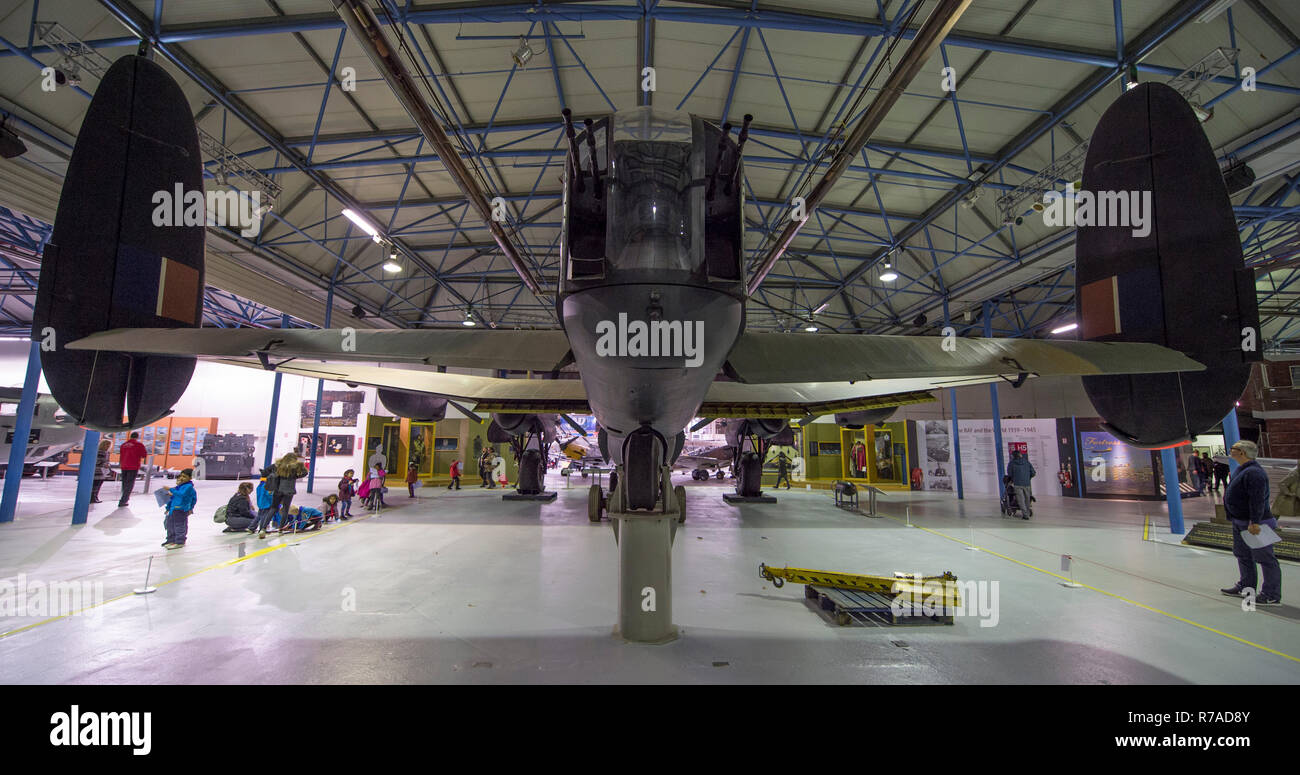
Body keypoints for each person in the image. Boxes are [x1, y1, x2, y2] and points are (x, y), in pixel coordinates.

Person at [1220, 440, 1282, 605]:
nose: (1230, 450)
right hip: (1240, 522)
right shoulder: (1242, 470)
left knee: (1265, 558)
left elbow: (1257, 500)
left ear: (1242, 452)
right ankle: (1246, 587)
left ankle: (1271, 594)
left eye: (1234, 448)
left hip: (1255, 523)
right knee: (1243, 555)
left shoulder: (1254, 473)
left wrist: (1254, 522)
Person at [269, 452, 308, 527]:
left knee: (273, 509)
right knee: (285, 509)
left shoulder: (279, 466)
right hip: (289, 491)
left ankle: (263, 528)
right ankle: (281, 528)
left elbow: (273, 476)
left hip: (278, 490)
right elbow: (305, 472)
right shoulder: (293, 468)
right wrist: (296, 475)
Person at [162, 468, 197, 549]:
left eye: (184, 476)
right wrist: (168, 507)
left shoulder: (188, 487)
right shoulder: (179, 487)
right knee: (170, 524)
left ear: (190, 478)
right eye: (181, 476)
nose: (181, 478)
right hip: (173, 509)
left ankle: (179, 541)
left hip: (181, 509)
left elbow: (182, 495)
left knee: (179, 525)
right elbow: (172, 499)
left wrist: (190, 508)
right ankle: (171, 540)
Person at [117, 431, 147, 507]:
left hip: (124, 465)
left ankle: (124, 498)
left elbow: (121, 455)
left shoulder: (123, 445)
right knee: (130, 484)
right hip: (133, 466)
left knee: (125, 483)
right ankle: (123, 500)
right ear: (137, 437)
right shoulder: (138, 445)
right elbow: (144, 455)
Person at [1006, 449, 1036, 519]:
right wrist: (1028, 478)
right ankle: (1027, 513)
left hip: (1017, 484)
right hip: (1027, 483)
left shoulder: (1011, 463)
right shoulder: (1027, 462)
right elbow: (1033, 473)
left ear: (1013, 456)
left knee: (1021, 500)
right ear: (1020, 455)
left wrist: (1013, 478)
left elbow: (1009, 474)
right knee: (1027, 499)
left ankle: (1025, 515)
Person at [251, 466, 277, 538]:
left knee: (259, 515)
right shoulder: (266, 485)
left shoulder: (260, 484)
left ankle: (251, 527)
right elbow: (269, 494)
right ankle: (262, 529)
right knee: (264, 517)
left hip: (260, 503)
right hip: (266, 504)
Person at [89, 438, 111, 504]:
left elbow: (106, 461)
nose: (108, 447)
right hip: (98, 471)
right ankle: (93, 497)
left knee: (98, 485)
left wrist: (108, 464)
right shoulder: (100, 452)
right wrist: (104, 464)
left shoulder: (106, 452)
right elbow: (97, 461)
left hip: (101, 472)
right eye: (107, 445)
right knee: (96, 485)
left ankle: (95, 497)